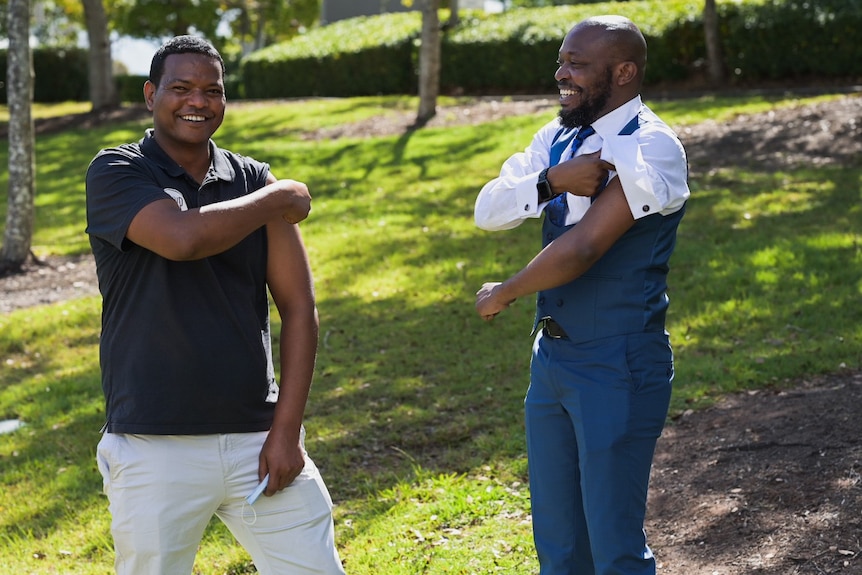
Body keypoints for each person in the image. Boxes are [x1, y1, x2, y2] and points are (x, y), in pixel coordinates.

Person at [85, 35, 346, 575]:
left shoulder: (249, 178)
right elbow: (183, 239)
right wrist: (277, 197)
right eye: (181, 88)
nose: (197, 101)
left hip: (258, 435)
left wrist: (287, 431)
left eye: (212, 90)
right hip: (155, 441)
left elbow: (299, 307)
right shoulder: (117, 171)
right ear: (150, 94)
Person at [473, 15, 689, 575]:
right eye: (561, 60)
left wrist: (507, 292)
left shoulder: (652, 147)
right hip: (553, 361)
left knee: (614, 545)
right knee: (560, 541)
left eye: (577, 64)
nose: (560, 74)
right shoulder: (556, 137)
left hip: (617, 361)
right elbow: (488, 209)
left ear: (623, 72)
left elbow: (586, 248)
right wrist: (553, 180)